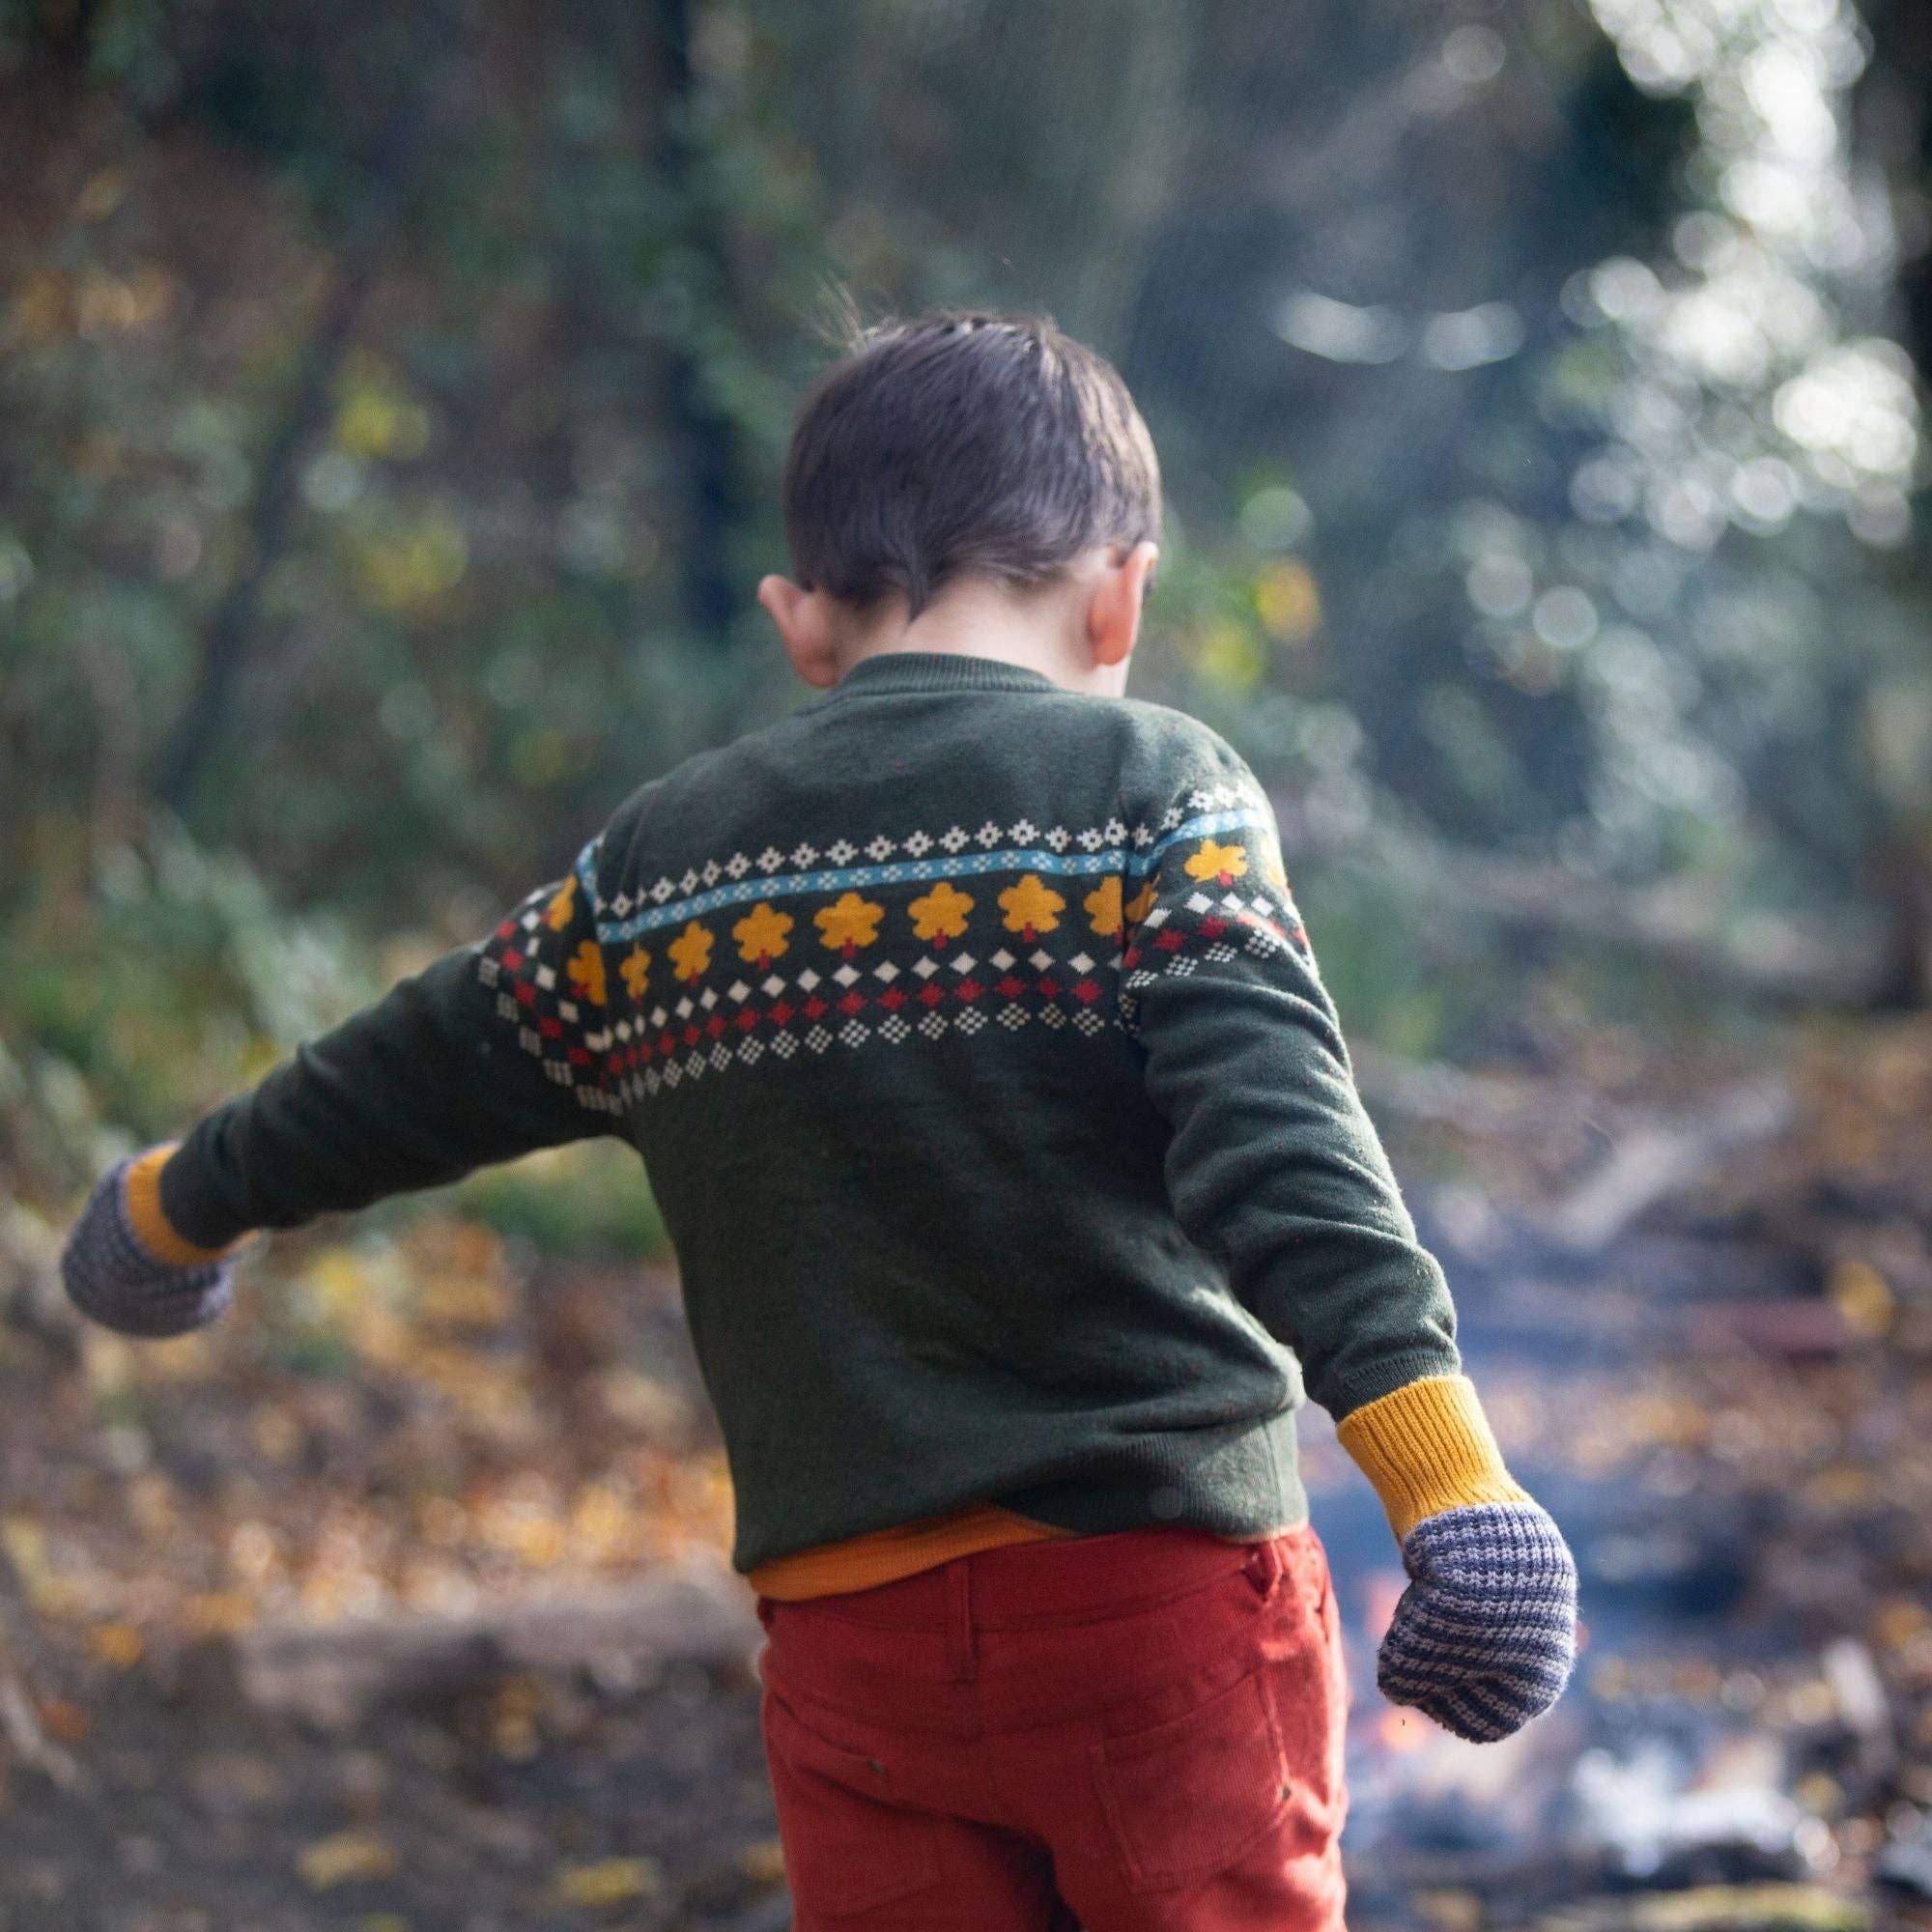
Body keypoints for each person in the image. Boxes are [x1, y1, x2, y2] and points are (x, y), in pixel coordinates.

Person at [61, 307, 1577, 1931]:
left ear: (802, 621)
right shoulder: (1154, 790)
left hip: (855, 1646)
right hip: (1153, 1608)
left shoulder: (665, 872)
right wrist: (1447, 1487)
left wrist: (176, 1203)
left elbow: (396, 1080)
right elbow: (1286, 1150)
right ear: (1124, 590)